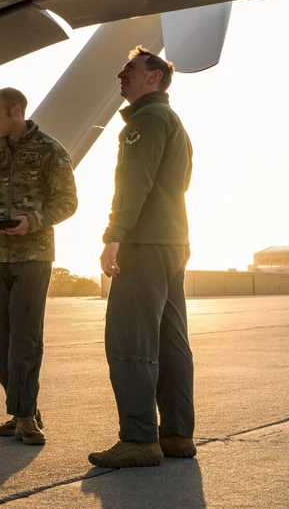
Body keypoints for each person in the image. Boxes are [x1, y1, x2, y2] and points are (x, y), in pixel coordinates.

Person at [89, 46, 195, 468]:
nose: (122, 73)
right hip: (172, 243)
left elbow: (134, 182)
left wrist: (115, 234)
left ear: (154, 77)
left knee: (130, 340)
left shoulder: (146, 120)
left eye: (130, 68)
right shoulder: (173, 122)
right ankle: (176, 434)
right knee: (171, 344)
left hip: (144, 244)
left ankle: (138, 438)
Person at [0, 87, 78, 446]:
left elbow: (68, 201)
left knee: (25, 339)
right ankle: (20, 411)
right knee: (1, 341)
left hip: (34, 255)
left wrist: (32, 220)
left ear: (16, 111)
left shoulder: (50, 150)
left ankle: (27, 417)